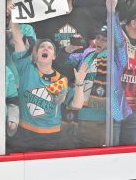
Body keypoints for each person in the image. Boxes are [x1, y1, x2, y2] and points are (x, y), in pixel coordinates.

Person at [59, 0, 132, 148]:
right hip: (79, 118)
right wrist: (68, 48)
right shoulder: (87, 54)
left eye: (103, 39)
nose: (98, 42)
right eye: (97, 38)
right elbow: (63, 60)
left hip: (103, 122)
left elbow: (119, 43)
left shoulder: (117, 58)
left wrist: (111, 14)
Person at [7, 22, 82, 152]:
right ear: (36, 55)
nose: (45, 49)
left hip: (51, 137)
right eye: (42, 47)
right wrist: (14, 20)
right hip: (24, 134)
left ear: (54, 57)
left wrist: (79, 83)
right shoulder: (26, 68)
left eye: (49, 48)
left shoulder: (61, 80)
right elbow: (18, 41)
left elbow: (76, 105)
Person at [115, 4, 136, 145]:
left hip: (135, 109)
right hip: (112, 108)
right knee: (109, 156)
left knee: (132, 156)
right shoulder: (112, 37)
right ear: (133, 23)